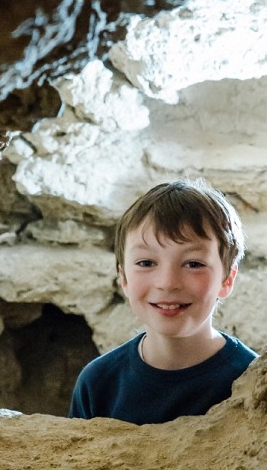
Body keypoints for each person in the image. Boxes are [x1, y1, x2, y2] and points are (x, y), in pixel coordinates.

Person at [69, 179, 257, 425]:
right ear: (123, 277)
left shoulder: (253, 382)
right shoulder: (97, 384)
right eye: (146, 263)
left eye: (193, 264)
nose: (168, 283)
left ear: (227, 279)